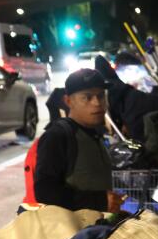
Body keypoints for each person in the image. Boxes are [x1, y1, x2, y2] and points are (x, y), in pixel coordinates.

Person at [32, 68, 120, 211]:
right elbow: (45, 192)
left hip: (99, 229)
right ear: (68, 101)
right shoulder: (57, 136)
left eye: (101, 96)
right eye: (87, 97)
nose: (97, 103)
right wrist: (98, 201)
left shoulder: (94, 132)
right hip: (75, 231)